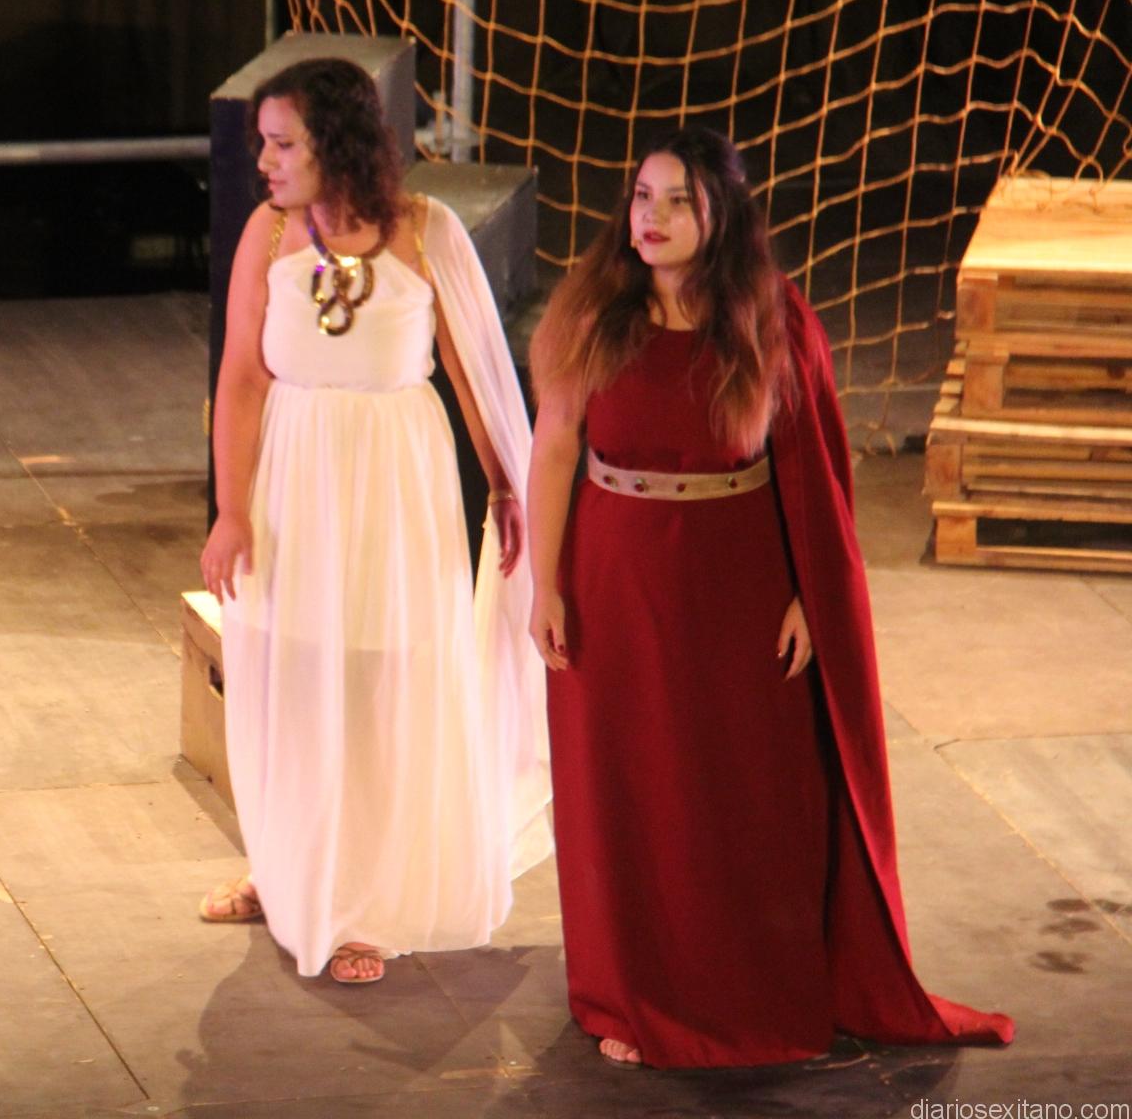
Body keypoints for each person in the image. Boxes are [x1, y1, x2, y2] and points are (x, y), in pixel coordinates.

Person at [526, 127, 1013, 1066]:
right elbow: (553, 452)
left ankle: (736, 989)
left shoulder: (770, 317)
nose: (653, 218)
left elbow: (815, 470)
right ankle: (635, 995)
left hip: (736, 588)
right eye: (643, 197)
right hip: (614, 585)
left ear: (722, 215)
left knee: (734, 796)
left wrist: (809, 594)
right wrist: (543, 584)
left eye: (678, 201)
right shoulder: (592, 312)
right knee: (628, 794)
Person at [198, 57, 551, 984]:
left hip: (395, 479)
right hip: (294, 472)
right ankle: (286, 868)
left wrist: (506, 487)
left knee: (382, 676)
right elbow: (242, 378)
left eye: (283, 144)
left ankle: (365, 904)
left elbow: (475, 369)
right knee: (292, 669)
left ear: (336, 145)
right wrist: (231, 510)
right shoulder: (269, 233)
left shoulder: (425, 233)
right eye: (264, 144)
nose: (264, 162)